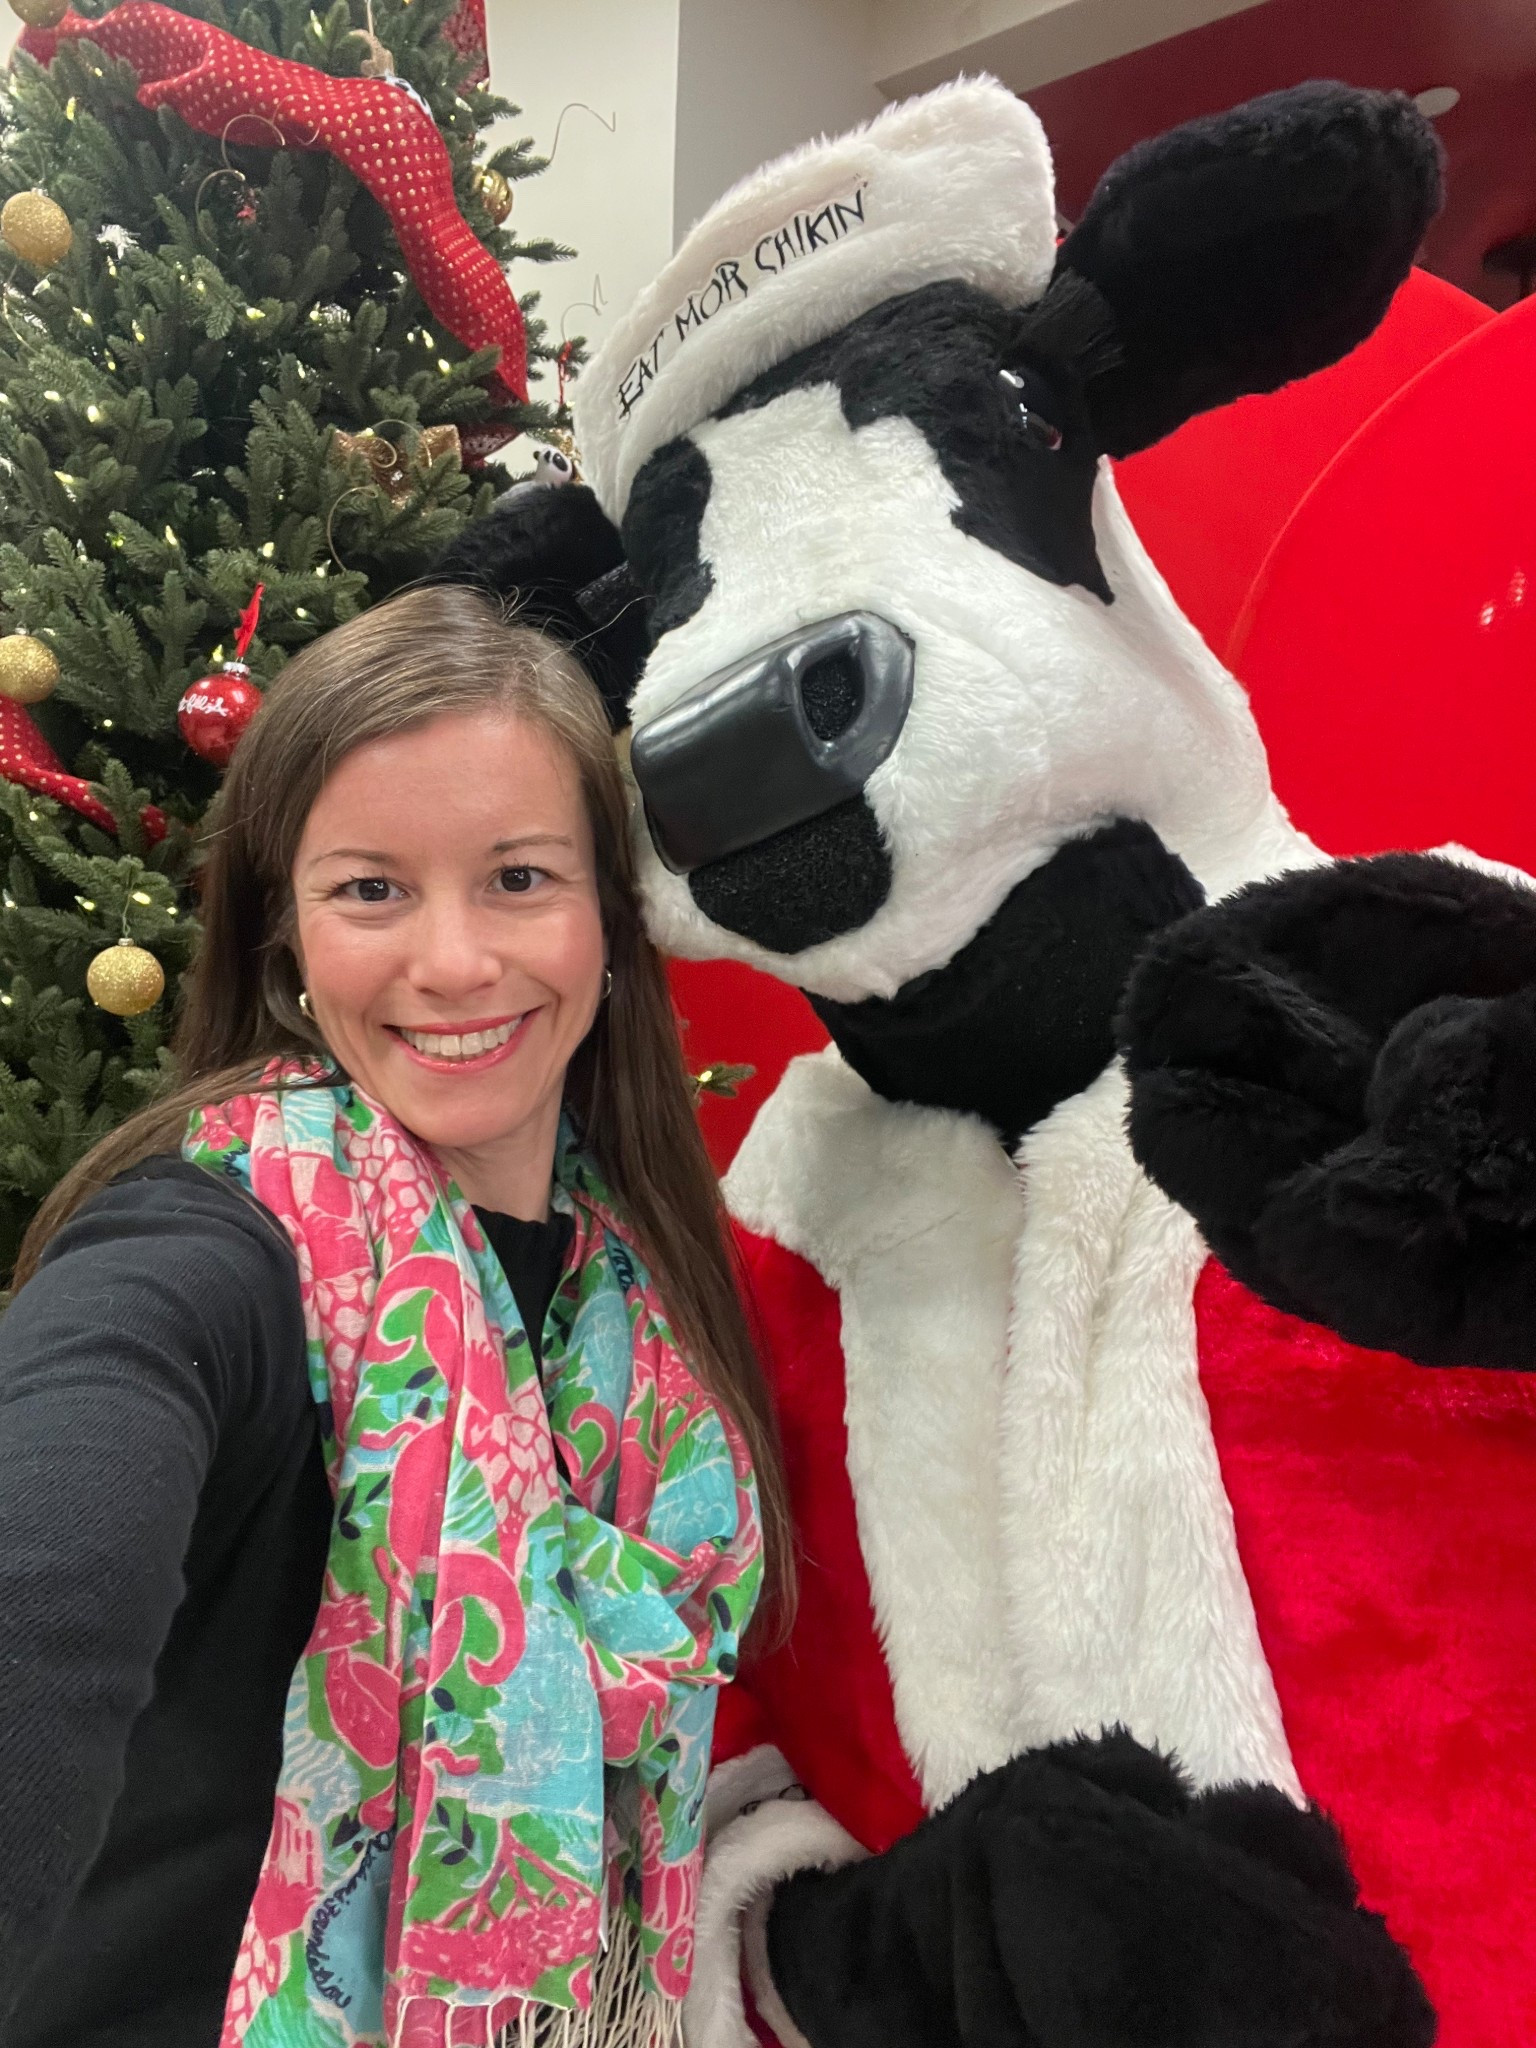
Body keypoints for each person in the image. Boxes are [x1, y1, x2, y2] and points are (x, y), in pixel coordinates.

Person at [0, 584, 787, 2048]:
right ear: (286, 937)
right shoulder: (207, 1252)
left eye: (519, 878)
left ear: (610, 920)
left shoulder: (654, 1296)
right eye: (372, 888)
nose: (454, 964)